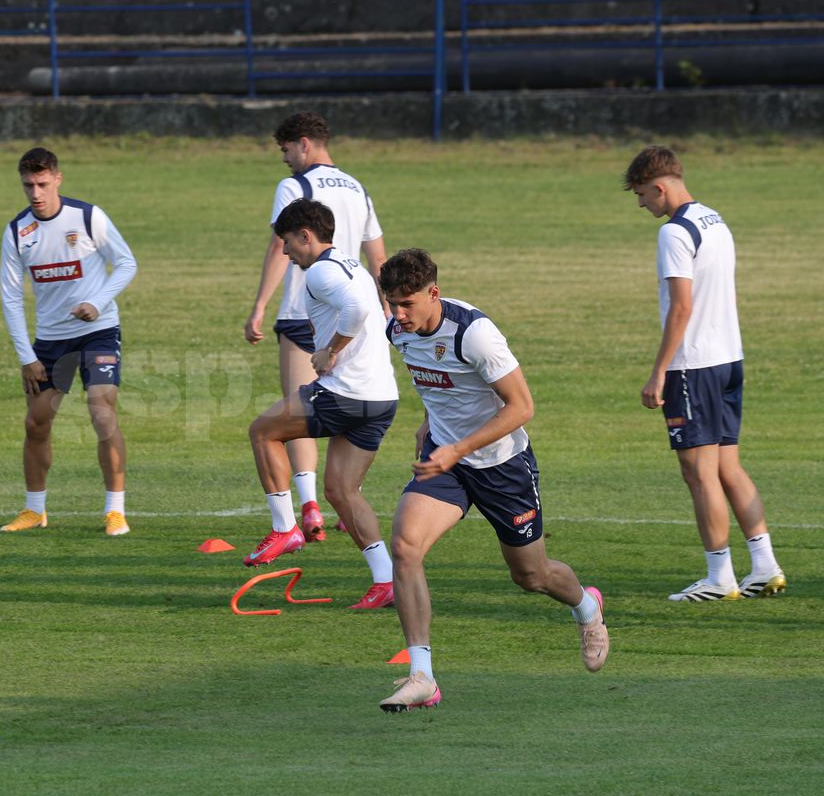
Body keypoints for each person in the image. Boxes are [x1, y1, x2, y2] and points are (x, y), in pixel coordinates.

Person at [376, 249, 608, 712]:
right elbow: (437, 382)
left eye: (407, 304)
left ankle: (586, 608)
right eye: (392, 303)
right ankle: (423, 675)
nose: (398, 315)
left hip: (502, 466)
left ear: (433, 293)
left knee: (531, 575)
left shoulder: (474, 335)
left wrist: (459, 447)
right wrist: (431, 424)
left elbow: (521, 407)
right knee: (404, 546)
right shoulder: (398, 332)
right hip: (446, 463)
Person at [624, 145, 785, 601]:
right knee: (728, 465)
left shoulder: (674, 234)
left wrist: (659, 373)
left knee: (699, 473)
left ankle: (720, 577)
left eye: (641, 195)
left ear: (659, 187)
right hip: (729, 359)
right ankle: (765, 566)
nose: (641, 205)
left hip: (693, 366)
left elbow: (682, 306)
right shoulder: (715, 220)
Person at [245, 199, 399, 610]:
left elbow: (358, 310)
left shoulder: (321, 273)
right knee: (341, 490)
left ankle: (284, 529)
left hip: (346, 393)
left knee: (263, 431)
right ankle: (386, 580)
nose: (283, 251)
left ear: (306, 236)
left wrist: (329, 351)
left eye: (286, 242)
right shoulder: (352, 266)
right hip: (381, 397)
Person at [244, 112, 388, 542]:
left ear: (304, 144)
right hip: (356, 307)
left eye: (286, 149)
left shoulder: (295, 187)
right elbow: (377, 255)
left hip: (302, 309)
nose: (285, 159)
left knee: (295, 411)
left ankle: (308, 508)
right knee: (351, 400)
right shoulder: (358, 187)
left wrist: (259, 305)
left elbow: (277, 247)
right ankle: (347, 501)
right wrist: (388, 310)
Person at [0, 147, 138, 537]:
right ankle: (34, 510)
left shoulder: (88, 217)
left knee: (101, 409)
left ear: (58, 178)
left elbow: (126, 262)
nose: (36, 192)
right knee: (37, 423)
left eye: (43, 184)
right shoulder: (17, 232)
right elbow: (10, 297)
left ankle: (115, 510)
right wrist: (26, 356)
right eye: (28, 185)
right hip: (51, 341)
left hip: (99, 332)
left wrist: (97, 301)